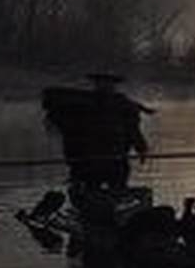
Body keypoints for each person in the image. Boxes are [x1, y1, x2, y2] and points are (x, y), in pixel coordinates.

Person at [41, 72, 153, 223]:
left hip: (116, 160)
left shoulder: (123, 105)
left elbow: (133, 130)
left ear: (114, 85)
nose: (106, 86)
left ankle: (114, 217)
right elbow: (59, 114)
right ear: (96, 84)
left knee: (117, 190)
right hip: (89, 162)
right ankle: (91, 217)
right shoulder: (81, 104)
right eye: (102, 82)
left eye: (109, 83)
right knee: (90, 192)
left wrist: (141, 148)